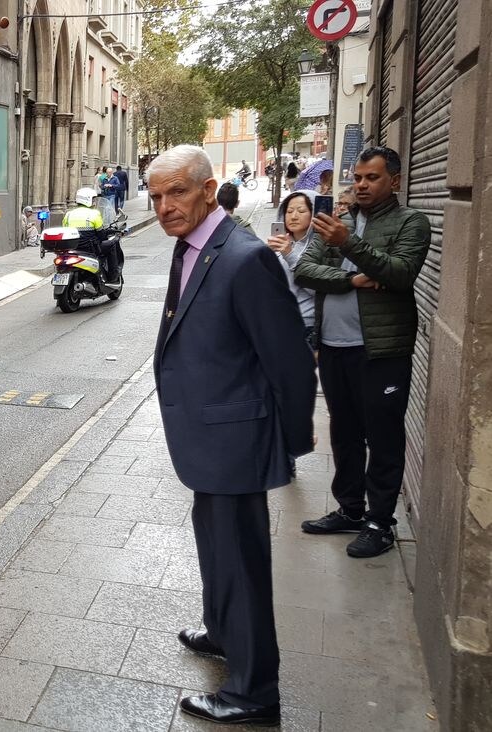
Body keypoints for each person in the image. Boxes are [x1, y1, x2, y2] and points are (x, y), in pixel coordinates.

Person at [147, 146, 315, 726]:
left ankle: (252, 691)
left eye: (177, 193)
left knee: (241, 562)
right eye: (157, 196)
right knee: (216, 545)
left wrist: (289, 445)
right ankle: (222, 631)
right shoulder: (193, 245)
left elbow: (290, 359)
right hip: (210, 439)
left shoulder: (244, 259)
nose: (165, 206)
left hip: (236, 440)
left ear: (210, 188)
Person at [295, 146, 433, 558]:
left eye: (371, 178)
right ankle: (351, 510)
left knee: (384, 437)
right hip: (335, 348)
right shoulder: (337, 221)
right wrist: (352, 281)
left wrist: (350, 245)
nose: (361, 185)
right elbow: (305, 271)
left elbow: (400, 272)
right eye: (357, 178)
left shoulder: (412, 222)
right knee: (346, 434)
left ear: (394, 180)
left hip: (381, 351)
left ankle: (380, 523)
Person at [267, 191, 319, 349]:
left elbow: (318, 289)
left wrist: (290, 255)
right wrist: (266, 257)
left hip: (305, 325)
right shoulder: (279, 245)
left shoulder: (321, 247)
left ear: (314, 214)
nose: (294, 216)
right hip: (277, 323)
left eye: (301, 211)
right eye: (289, 211)